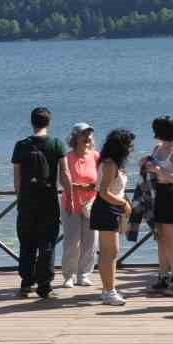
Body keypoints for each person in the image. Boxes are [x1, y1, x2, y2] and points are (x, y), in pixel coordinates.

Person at [11, 107, 67, 299]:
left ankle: (26, 283)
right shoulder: (57, 144)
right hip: (49, 200)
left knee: (26, 242)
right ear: (48, 123)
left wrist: (20, 196)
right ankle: (45, 285)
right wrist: (71, 196)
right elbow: (65, 174)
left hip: (27, 201)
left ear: (32, 122)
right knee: (48, 242)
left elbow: (17, 180)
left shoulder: (21, 145)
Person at [140, 116, 173, 297]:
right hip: (156, 194)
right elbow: (151, 165)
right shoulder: (158, 148)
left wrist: (159, 171)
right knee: (159, 237)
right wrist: (145, 164)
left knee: (171, 238)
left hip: (170, 194)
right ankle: (162, 277)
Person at [90, 128, 136, 306]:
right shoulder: (110, 164)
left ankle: (108, 288)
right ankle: (109, 291)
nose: (131, 148)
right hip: (107, 208)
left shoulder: (112, 163)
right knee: (109, 252)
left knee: (111, 252)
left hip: (112, 206)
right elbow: (104, 192)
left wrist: (123, 203)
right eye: (129, 145)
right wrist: (123, 204)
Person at [58, 123, 100, 288]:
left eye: (90, 135)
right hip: (71, 203)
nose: (88, 138)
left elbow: (102, 177)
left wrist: (91, 186)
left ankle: (84, 274)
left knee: (91, 240)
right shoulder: (67, 157)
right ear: (75, 138)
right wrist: (77, 187)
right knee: (71, 241)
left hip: (91, 204)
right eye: (84, 135)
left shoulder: (96, 156)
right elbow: (61, 180)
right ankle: (69, 275)